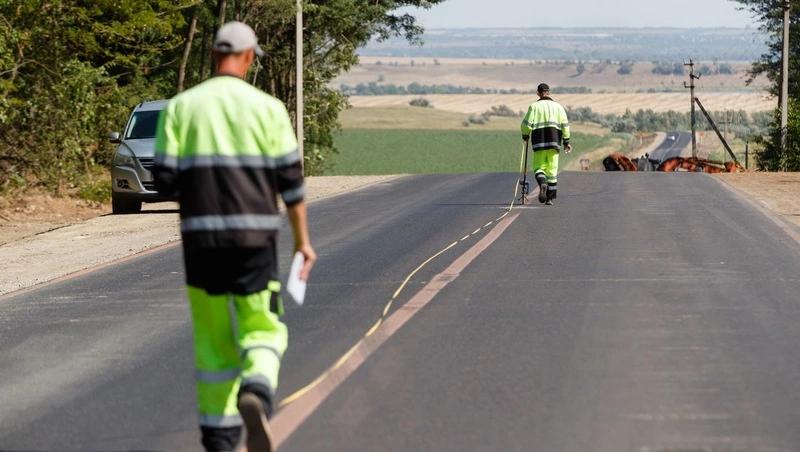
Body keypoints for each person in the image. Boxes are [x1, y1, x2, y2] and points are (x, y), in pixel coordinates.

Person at [152, 21, 316, 452]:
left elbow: (165, 181)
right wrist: (303, 242)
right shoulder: (268, 109)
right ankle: (257, 390)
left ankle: (220, 441)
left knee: (212, 343)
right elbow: (292, 188)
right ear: (248, 57)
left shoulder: (181, 107)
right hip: (254, 242)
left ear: (211, 56)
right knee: (262, 328)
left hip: (200, 244)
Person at [520, 83, 572, 205]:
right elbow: (565, 125)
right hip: (554, 143)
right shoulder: (559, 107)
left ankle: (542, 183)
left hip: (539, 143)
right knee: (552, 172)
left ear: (538, 93)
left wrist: (525, 135)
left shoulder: (534, 107)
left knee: (539, 168)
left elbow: (526, 125)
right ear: (549, 92)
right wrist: (566, 141)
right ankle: (549, 198)